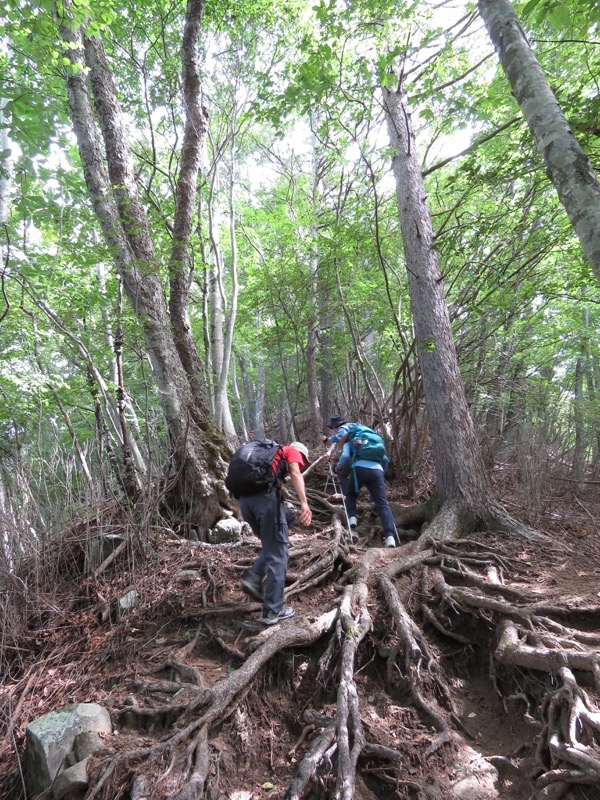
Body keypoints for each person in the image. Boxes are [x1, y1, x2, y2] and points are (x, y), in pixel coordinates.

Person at [239, 441, 312, 625]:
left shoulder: (267, 458)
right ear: (300, 455)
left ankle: (254, 577)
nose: (301, 465)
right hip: (266, 503)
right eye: (303, 462)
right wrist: (304, 504)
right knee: (279, 554)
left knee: (288, 518)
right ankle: (272, 611)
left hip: (245, 503)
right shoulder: (290, 451)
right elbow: (295, 473)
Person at [323, 416, 397, 548]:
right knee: (382, 503)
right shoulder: (371, 440)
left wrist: (338, 468)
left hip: (359, 469)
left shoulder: (350, 440)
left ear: (337, 428)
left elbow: (345, 457)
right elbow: (385, 459)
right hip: (377, 471)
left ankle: (352, 519)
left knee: (351, 494)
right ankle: (390, 537)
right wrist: (380, 472)